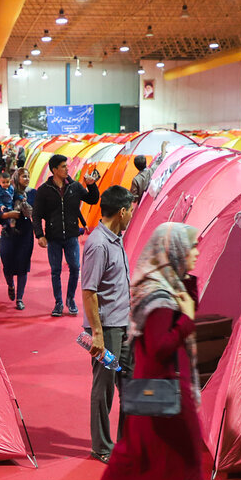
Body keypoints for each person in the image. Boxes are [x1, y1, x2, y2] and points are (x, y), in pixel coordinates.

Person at [76, 222, 241, 480]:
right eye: (192, 247)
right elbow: (160, 345)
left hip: (155, 389)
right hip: (165, 391)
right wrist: (185, 317)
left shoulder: (164, 286)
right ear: (174, 250)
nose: (198, 252)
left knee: (134, 457)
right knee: (185, 461)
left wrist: (186, 296)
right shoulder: (158, 295)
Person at [80, 185, 135, 463]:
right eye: (131, 210)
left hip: (123, 326)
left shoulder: (116, 238)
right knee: (105, 387)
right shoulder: (98, 244)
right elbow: (88, 291)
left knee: (129, 383)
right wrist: (97, 335)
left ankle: (126, 442)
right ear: (122, 211)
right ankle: (101, 446)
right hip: (107, 330)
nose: (132, 215)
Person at [33, 154, 100, 317]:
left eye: (66, 166)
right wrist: (40, 235)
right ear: (54, 170)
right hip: (53, 237)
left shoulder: (75, 187)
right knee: (55, 271)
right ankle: (58, 302)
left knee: (75, 268)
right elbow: (36, 214)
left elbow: (92, 199)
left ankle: (70, 299)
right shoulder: (44, 190)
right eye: (63, 166)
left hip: (71, 236)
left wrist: (92, 186)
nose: (67, 168)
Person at [0, 167, 37, 310]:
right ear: (17, 177)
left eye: (28, 176)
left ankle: (20, 298)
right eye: (23, 176)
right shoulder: (7, 191)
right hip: (8, 233)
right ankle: (10, 284)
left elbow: (35, 213)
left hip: (25, 233)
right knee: (7, 263)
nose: (26, 179)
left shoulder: (32, 193)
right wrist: (8, 215)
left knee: (22, 265)